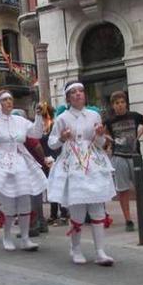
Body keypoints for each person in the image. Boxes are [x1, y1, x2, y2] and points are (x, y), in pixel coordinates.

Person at [48, 81, 116, 266]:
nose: (78, 94)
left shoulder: (94, 115)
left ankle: (100, 251)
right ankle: (76, 248)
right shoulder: (62, 118)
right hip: (72, 162)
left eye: (81, 91)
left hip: (93, 161)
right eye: (74, 92)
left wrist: (100, 134)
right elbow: (52, 143)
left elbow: (100, 143)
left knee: (97, 207)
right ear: (68, 97)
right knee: (77, 209)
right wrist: (62, 138)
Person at [0, 91, 47, 251]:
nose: (9, 102)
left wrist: (39, 115)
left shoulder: (20, 120)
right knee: (8, 203)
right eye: (5, 100)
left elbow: (37, 133)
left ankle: (25, 238)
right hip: (1, 163)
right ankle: (6, 236)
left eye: (10, 99)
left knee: (25, 199)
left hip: (20, 162)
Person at [104, 90, 143, 231]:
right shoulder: (110, 121)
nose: (120, 105)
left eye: (122, 102)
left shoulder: (134, 116)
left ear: (126, 103)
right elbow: (105, 133)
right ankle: (128, 220)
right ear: (113, 105)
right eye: (117, 103)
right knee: (123, 190)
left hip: (135, 156)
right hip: (119, 157)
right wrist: (111, 140)